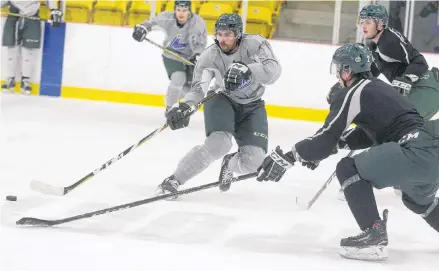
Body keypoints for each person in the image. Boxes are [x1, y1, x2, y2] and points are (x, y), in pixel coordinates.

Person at [256, 43, 439, 262]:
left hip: (414, 150)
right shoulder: (378, 87)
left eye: (338, 69)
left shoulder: (353, 91)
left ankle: (374, 236)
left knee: (348, 168)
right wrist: (322, 150)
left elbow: (326, 136)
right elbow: (367, 134)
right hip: (428, 147)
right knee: (416, 200)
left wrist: (291, 155)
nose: (337, 76)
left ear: (346, 70)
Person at [154, 13, 281, 199]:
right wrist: (186, 107)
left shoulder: (255, 44)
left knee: (254, 163)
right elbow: (198, 89)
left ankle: (229, 164)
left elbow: (273, 72)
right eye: (220, 34)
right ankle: (173, 180)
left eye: (228, 34)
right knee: (219, 143)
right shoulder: (209, 57)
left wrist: (248, 70)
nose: (223, 39)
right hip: (222, 99)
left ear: (238, 34)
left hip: (253, 105)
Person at [359, 3, 439, 121]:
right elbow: (370, 74)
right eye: (362, 22)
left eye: (368, 22)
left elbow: (420, 63)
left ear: (381, 24)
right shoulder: (374, 47)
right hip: (415, 91)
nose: (363, 26)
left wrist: (405, 78)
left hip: (425, 89)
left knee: (399, 128)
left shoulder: (389, 41)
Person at [132, 0, 207, 114]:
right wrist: (142, 28)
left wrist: (198, 55)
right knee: (178, 78)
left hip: (190, 58)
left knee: (190, 89)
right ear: (174, 10)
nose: (181, 13)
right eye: (178, 10)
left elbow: (201, 43)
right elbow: (152, 22)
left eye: (184, 10)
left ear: (189, 11)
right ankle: (170, 109)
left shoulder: (198, 23)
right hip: (171, 54)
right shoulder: (168, 17)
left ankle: (171, 98)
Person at [1, 0, 62, 95]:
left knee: (28, 50)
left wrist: (54, 10)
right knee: (12, 48)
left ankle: (25, 79)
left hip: (32, 16)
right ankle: (10, 79)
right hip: (14, 15)